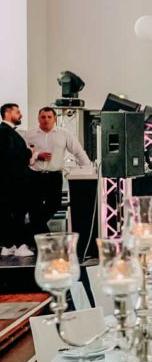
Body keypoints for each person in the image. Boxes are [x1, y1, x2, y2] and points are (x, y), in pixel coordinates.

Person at [23, 106, 93, 235]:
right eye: (43, 117)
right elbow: (22, 154)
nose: (46, 120)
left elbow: (78, 151)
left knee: (54, 206)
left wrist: (88, 168)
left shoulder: (64, 134)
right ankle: (40, 244)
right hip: (34, 176)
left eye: (49, 117)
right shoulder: (29, 134)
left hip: (54, 176)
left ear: (55, 118)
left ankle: (25, 232)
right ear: (38, 118)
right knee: (34, 209)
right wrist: (37, 155)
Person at [0, 102, 35, 257]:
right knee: (17, 213)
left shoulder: (7, 132)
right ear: (8, 113)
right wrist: (29, 152)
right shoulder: (4, 132)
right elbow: (10, 156)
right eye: (17, 112)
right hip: (13, 183)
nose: (20, 115)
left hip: (11, 182)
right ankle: (19, 245)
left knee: (10, 214)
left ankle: (9, 244)